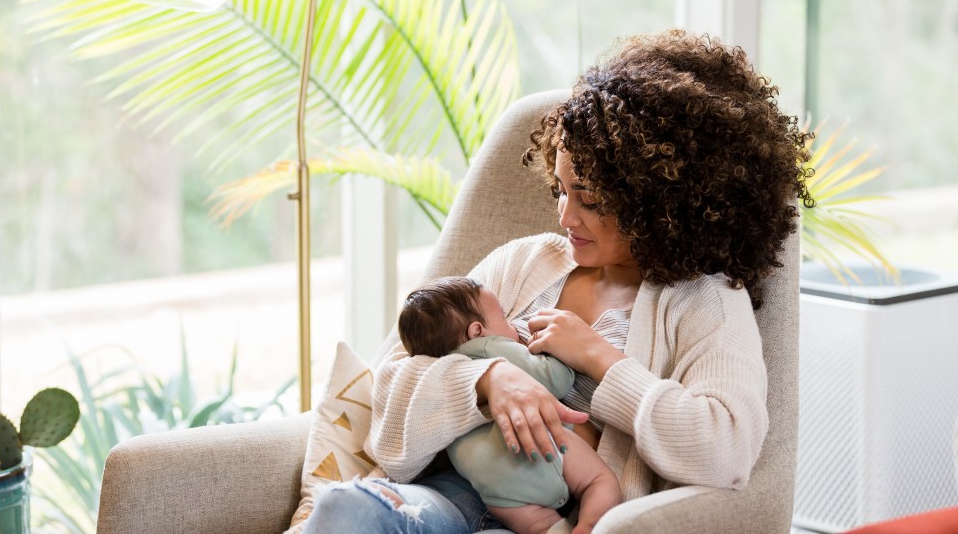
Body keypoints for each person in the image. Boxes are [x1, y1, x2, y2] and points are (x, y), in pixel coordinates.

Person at [302, 30, 813, 534]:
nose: (566, 217)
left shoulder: (705, 303)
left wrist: (599, 359)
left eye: (589, 199)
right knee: (348, 510)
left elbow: (726, 448)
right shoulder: (522, 264)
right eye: (561, 189)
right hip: (442, 497)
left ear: (659, 204)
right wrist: (485, 381)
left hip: (551, 518)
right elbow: (390, 382)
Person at [397, 275, 621, 534]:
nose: (514, 326)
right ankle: (590, 526)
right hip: (538, 448)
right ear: (477, 331)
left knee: (541, 527)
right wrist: (559, 351)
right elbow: (554, 381)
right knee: (599, 481)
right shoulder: (490, 347)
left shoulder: (437, 370)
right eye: (503, 317)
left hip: (492, 485)